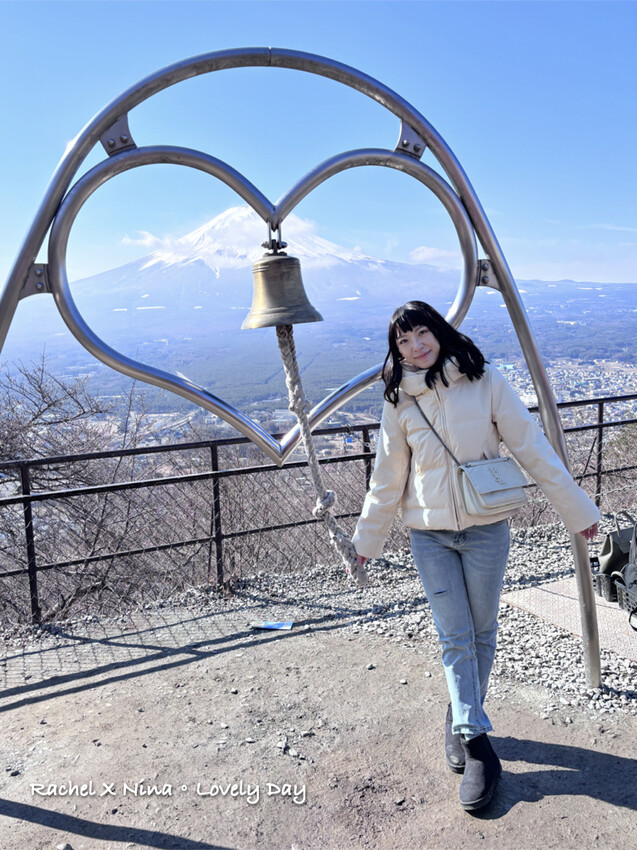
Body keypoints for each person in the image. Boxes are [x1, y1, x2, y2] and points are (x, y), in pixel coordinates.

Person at [351, 300, 599, 812]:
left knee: (482, 631)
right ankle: (477, 741)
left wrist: (578, 509)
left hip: (487, 527)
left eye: (421, 334)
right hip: (430, 535)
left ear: (439, 332)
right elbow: (388, 478)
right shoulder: (399, 400)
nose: (415, 347)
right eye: (402, 342)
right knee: (455, 635)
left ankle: (459, 713)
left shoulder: (487, 382)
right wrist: (365, 542)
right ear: (395, 351)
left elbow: (531, 446)